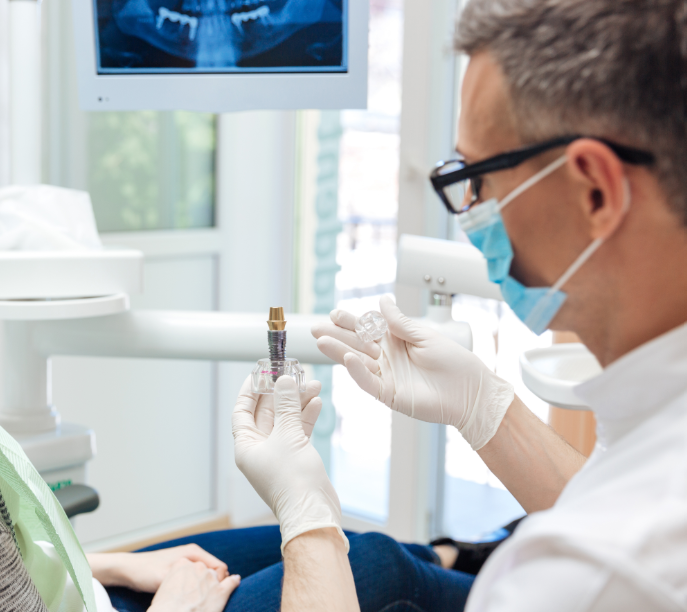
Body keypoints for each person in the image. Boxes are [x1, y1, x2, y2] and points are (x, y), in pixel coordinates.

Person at [0, 47, 470, 612]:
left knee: (373, 549)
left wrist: (117, 563)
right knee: (375, 565)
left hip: (73, 589)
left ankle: (466, 554)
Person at [235, 0, 687, 610]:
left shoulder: (584, 575)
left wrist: (306, 515)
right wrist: (484, 407)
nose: (473, 211)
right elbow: (611, 496)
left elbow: (612, 536)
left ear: (595, 192)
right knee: (385, 561)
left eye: (480, 177)